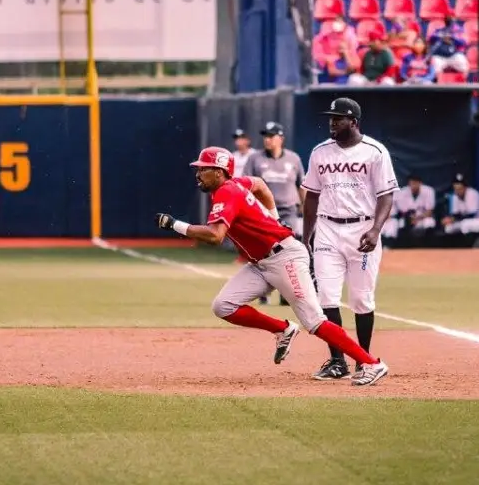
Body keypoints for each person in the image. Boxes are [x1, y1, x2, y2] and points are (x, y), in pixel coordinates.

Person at [154, 146, 389, 386]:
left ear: (219, 172)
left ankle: (371, 363)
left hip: (284, 258)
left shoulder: (227, 191)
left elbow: (216, 236)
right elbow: (259, 184)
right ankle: (282, 330)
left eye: (203, 169)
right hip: (262, 263)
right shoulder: (233, 185)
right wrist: (274, 217)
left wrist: (174, 225)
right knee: (223, 306)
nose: (198, 173)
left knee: (314, 321)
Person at [302, 97, 399, 381]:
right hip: (328, 229)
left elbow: (386, 195)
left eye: (338, 118)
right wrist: (306, 238)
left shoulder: (374, 152)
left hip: (363, 228)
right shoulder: (320, 152)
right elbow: (312, 197)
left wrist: (375, 230)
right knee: (325, 298)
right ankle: (337, 361)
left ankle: (364, 361)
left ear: (354, 121)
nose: (332, 122)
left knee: (361, 299)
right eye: (330, 118)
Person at [243, 121, 306, 306]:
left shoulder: (293, 159)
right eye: (265, 136)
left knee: (287, 251)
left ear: (281, 138)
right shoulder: (255, 158)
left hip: (288, 211)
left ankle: (287, 294)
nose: (267, 140)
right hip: (262, 213)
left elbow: (301, 185)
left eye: (271, 136)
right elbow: (246, 185)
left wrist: (304, 206)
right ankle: (263, 290)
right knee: (263, 251)